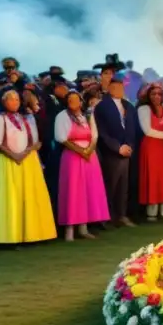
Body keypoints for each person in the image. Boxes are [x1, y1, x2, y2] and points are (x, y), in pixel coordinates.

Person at [0, 87, 57, 246]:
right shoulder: (1, 118)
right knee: (11, 198)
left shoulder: (26, 118)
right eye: (10, 99)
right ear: (4, 102)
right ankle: (10, 235)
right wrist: (14, 155)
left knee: (29, 197)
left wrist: (29, 150)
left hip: (29, 161)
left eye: (16, 99)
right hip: (9, 162)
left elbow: (35, 140)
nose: (14, 102)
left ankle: (32, 233)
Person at [54, 90, 109, 241]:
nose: (74, 102)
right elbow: (62, 138)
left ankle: (83, 228)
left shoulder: (86, 116)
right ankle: (69, 231)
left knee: (87, 191)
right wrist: (81, 151)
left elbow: (94, 135)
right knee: (73, 191)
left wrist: (89, 151)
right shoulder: (63, 116)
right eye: (70, 100)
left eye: (76, 99)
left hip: (89, 157)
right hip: (72, 157)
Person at [93, 75, 139, 227]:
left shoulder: (129, 106)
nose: (118, 90)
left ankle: (122, 215)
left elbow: (133, 129)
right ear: (109, 88)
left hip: (127, 151)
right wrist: (117, 147)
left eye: (121, 87)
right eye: (115, 87)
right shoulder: (102, 106)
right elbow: (102, 132)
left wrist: (129, 146)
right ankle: (106, 217)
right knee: (110, 185)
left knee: (124, 186)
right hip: (111, 152)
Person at [137, 84, 163, 221]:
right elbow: (147, 130)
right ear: (148, 96)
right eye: (153, 94)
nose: (156, 96)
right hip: (151, 147)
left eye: (159, 94)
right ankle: (152, 213)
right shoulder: (143, 109)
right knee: (153, 177)